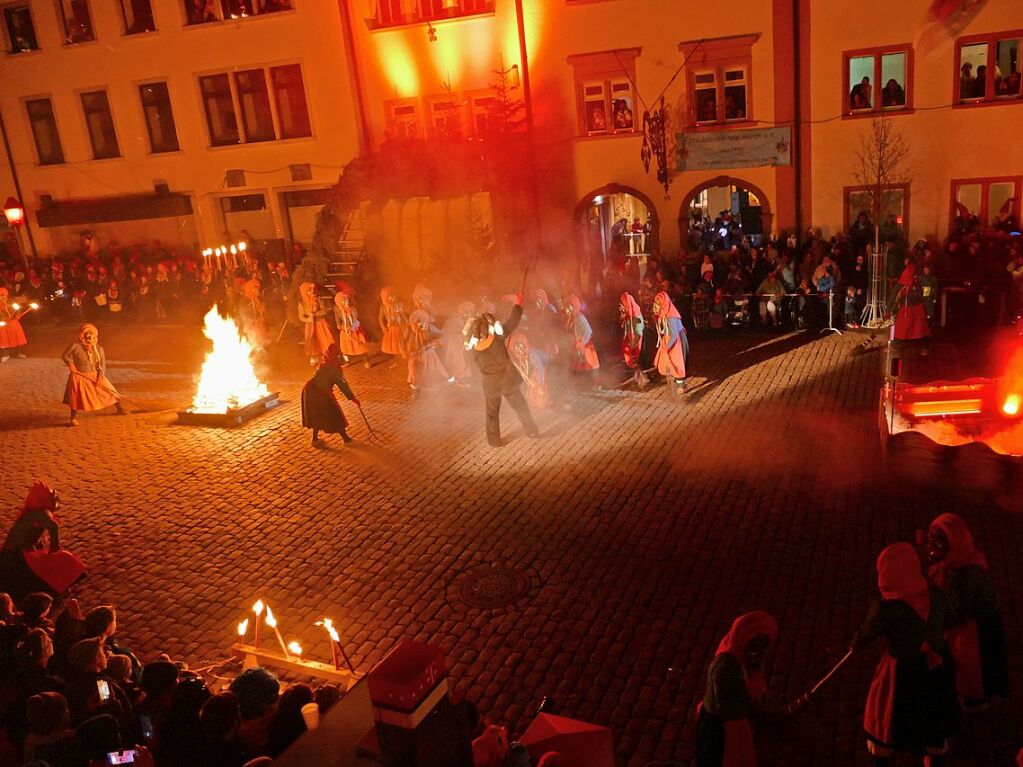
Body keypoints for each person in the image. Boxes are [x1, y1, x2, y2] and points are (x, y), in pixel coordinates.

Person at [850, 543, 958, 767]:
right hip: (935, 667)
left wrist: (855, 645)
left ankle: (884, 758)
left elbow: (867, 632)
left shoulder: (886, 609)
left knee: (886, 716)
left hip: (901, 670)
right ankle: (932, 756)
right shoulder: (935, 596)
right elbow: (948, 617)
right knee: (932, 712)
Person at [693, 611, 806, 767]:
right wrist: (754, 707)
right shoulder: (724, 668)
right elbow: (726, 706)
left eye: (763, 647)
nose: (758, 653)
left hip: (734, 722)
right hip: (720, 727)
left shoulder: (745, 660)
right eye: (756, 645)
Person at [925, 514, 1008, 707]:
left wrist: (937, 623)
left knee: (973, 667)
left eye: (939, 542)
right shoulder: (966, 557)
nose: (934, 548)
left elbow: (959, 612)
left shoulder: (964, 575)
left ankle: (975, 699)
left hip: (977, 627)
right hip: (976, 619)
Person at [464, 290, 539, 448]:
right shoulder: (497, 338)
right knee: (519, 405)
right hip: (506, 379)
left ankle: (494, 440)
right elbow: (511, 323)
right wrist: (517, 308)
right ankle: (530, 429)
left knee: (492, 412)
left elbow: (472, 363)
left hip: (490, 382)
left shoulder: (474, 347)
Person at [0, 481, 86, 600]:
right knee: (64, 559)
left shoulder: (31, 512)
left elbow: (33, 538)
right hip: (17, 557)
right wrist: (54, 549)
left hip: (16, 553)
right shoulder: (41, 512)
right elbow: (53, 527)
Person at [61, 323, 126, 426]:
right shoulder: (75, 345)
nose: (89, 337)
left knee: (110, 391)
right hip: (79, 376)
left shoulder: (99, 348)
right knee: (75, 397)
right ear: (82, 335)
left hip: (94, 375)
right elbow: (65, 355)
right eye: (87, 334)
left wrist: (100, 377)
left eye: (92, 334)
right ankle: (72, 419)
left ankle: (120, 409)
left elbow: (102, 364)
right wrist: (71, 364)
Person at [301, 343, 360, 447]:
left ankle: (315, 439)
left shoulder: (325, 363)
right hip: (319, 393)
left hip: (309, 391)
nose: (340, 357)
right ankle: (346, 439)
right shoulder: (333, 368)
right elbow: (343, 385)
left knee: (317, 415)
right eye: (338, 355)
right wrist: (353, 398)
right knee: (335, 414)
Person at [406, 309, 453, 390]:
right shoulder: (415, 332)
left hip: (428, 351)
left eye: (424, 321)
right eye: (420, 322)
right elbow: (412, 343)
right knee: (418, 366)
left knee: (433, 364)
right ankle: (419, 382)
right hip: (420, 353)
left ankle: (436, 380)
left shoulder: (428, 329)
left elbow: (438, 335)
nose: (423, 324)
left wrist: (433, 343)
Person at [652, 291, 688, 392]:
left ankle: (681, 385)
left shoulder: (671, 317)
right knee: (667, 361)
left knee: (676, 362)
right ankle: (676, 380)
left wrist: (667, 347)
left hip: (676, 342)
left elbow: (674, 334)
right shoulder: (662, 316)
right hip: (668, 340)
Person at [892, 256, 929, 346]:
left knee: (912, 322)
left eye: (906, 259)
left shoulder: (911, 269)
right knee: (910, 322)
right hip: (910, 302)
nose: (904, 261)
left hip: (911, 302)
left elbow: (907, 282)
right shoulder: (909, 269)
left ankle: (910, 338)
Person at [507, 332, 551, 409]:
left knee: (538, 384)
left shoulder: (532, 355)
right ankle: (534, 401)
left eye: (519, 351)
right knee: (533, 381)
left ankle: (542, 402)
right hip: (538, 367)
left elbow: (540, 368)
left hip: (544, 367)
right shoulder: (526, 351)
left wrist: (540, 384)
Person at [297, 282, 334, 366]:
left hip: (320, 323)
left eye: (313, 290)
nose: (312, 292)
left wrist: (315, 314)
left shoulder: (318, 299)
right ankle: (314, 357)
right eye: (309, 291)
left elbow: (324, 310)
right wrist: (308, 319)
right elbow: (301, 316)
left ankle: (327, 356)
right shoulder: (302, 303)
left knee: (325, 339)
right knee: (312, 341)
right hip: (310, 325)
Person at [562, 295, 599, 376]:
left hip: (585, 345)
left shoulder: (579, 317)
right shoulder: (570, 318)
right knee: (579, 366)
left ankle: (592, 382)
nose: (567, 310)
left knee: (588, 365)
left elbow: (588, 331)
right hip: (577, 345)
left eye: (569, 307)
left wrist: (583, 343)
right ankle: (582, 382)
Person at [333, 290, 368, 362]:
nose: (346, 301)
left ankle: (366, 360)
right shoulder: (337, 309)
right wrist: (339, 325)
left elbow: (356, 319)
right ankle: (346, 361)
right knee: (344, 347)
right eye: (343, 300)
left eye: (346, 299)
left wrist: (353, 328)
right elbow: (337, 319)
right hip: (345, 329)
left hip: (355, 328)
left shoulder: (352, 308)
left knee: (361, 346)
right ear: (339, 301)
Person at [618, 292, 644, 378]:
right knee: (629, 358)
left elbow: (638, 333)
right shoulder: (627, 313)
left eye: (621, 306)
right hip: (629, 338)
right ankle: (635, 375)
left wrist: (632, 345)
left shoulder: (636, 314)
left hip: (635, 340)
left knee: (634, 359)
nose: (620, 308)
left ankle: (641, 377)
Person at [0, 286, 29, 362]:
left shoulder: (10, 302)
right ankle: (4, 354)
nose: (2, 298)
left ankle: (17, 353)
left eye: (4, 296)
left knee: (16, 338)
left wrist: (16, 315)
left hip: (12, 323)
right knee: (3, 340)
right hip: (2, 325)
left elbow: (16, 311)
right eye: (1, 296)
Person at [377, 288, 407, 357]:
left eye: (393, 296)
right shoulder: (383, 307)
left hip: (401, 327)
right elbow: (380, 317)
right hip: (391, 328)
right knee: (394, 345)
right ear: (385, 298)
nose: (392, 298)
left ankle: (404, 357)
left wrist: (402, 312)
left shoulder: (398, 305)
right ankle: (398, 359)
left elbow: (404, 314)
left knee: (402, 342)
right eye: (390, 296)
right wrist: (383, 327)